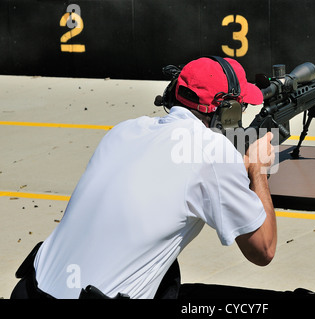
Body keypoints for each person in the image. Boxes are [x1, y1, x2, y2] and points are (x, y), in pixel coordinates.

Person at [10, 56, 277, 299]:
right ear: (226, 111)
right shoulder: (213, 152)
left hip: (29, 290)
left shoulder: (124, 130)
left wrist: (230, 162)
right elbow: (264, 250)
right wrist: (258, 169)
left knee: (167, 273)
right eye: (240, 107)